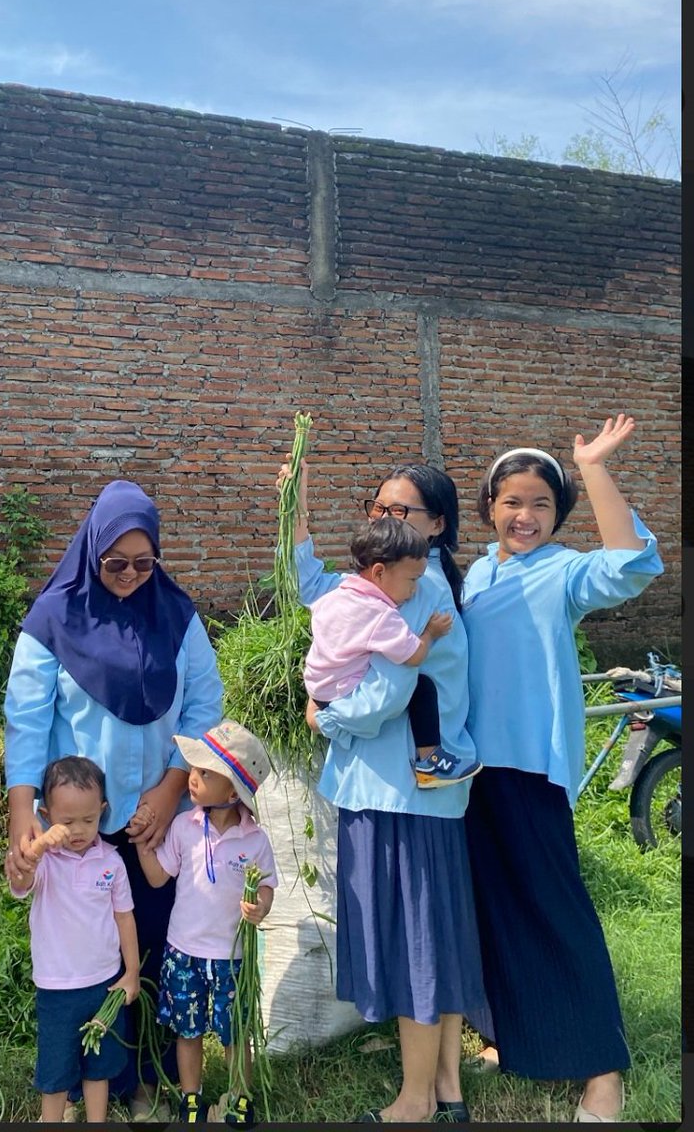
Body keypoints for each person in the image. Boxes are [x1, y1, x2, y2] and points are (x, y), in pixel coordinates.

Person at [461, 414, 663, 1123]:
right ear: (489, 506)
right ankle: (507, 1037)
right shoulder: (478, 571)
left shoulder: (564, 573)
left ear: (558, 514)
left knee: (556, 909)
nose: (525, 515)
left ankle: (602, 1071)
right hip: (470, 770)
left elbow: (631, 563)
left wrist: (596, 470)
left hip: (531, 766)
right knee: (492, 905)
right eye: (512, 501)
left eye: (541, 503)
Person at [3, 478, 224, 1122]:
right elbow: (26, 718)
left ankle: (151, 1074)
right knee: (87, 959)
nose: (129, 574)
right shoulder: (53, 618)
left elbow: (205, 706)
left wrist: (171, 786)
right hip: (79, 831)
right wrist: (24, 812)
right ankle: (85, 1083)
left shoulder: (178, 618)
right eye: (114, 562)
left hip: (160, 824)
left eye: (143, 562)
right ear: (91, 550)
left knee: (157, 947)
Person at [278, 456, 489, 1124]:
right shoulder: (384, 586)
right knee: (435, 935)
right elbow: (307, 580)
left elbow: (389, 693)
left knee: (413, 942)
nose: (389, 521)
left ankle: (415, 1098)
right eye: (380, 509)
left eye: (404, 513)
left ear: (437, 526)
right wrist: (297, 503)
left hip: (398, 790)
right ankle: (447, 1085)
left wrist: (326, 715)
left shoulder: (415, 589)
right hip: (411, 789)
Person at [134, 720, 278, 1127]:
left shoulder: (255, 841)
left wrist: (260, 906)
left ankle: (239, 1098)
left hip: (231, 956)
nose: (192, 780)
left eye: (204, 774)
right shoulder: (184, 827)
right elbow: (160, 876)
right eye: (193, 770)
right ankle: (191, 1098)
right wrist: (144, 844)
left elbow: (266, 884)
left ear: (233, 792)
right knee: (188, 1030)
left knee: (236, 1033)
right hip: (184, 951)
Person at [9, 755, 141, 1124]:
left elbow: (124, 918)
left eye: (89, 819)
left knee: (98, 1067)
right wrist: (37, 846)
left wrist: (131, 972)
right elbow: (20, 882)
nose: (79, 830)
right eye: (68, 821)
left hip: (103, 984)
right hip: (57, 988)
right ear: (48, 816)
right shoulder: (46, 863)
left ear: (103, 811)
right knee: (55, 1071)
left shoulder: (112, 863)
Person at [303, 517, 480, 788]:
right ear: (379, 573)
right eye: (411, 580)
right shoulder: (381, 615)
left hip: (319, 689)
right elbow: (414, 656)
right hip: (344, 695)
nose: (414, 590)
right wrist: (431, 632)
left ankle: (325, 718)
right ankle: (430, 760)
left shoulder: (334, 595)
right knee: (421, 687)